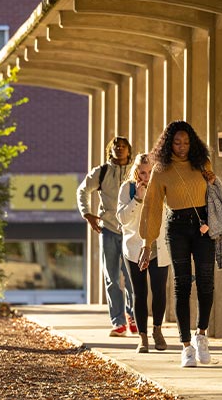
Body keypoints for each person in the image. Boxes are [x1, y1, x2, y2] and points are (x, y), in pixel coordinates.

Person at [138, 120, 216, 367]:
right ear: (168, 144)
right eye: (177, 142)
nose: (181, 147)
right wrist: (147, 243)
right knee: (182, 284)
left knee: (206, 281)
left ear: (191, 142)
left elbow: (214, 193)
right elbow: (152, 207)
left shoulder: (202, 163)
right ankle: (185, 347)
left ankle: (201, 334)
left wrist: (212, 180)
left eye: (185, 142)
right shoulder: (161, 170)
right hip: (177, 228)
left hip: (203, 225)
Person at [77, 136, 136, 337]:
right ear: (110, 150)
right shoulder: (101, 172)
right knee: (111, 277)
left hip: (131, 231)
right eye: (115, 146)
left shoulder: (135, 171)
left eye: (123, 146)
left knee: (132, 278)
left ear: (129, 150)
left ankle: (133, 317)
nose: (119, 149)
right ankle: (118, 323)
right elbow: (82, 190)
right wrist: (87, 214)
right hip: (109, 230)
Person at [116, 153, 171, 353]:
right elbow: (122, 219)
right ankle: (143, 337)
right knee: (140, 293)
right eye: (142, 173)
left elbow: (170, 213)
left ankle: (157, 330)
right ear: (136, 172)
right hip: (134, 249)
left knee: (159, 291)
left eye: (150, 172)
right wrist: (137, 199)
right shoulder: (127, 189)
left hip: (159, 247)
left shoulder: (163, 187)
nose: (146, 177)